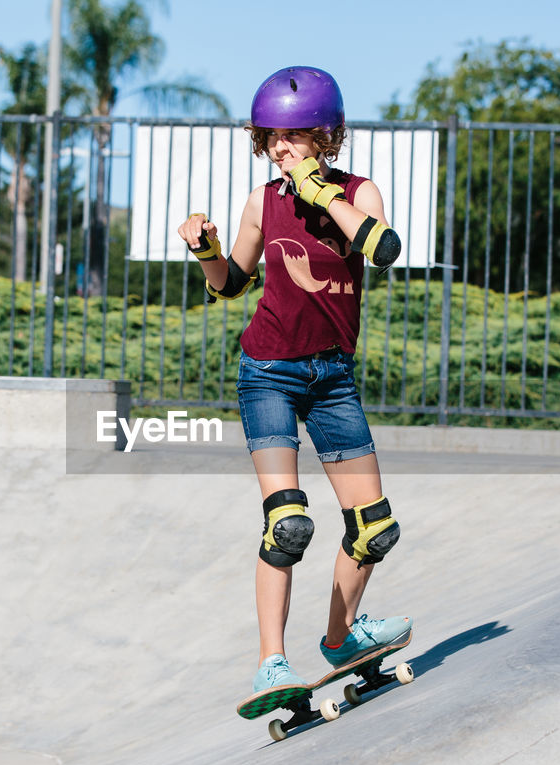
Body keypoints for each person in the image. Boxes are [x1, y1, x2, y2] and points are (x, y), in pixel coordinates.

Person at [176, 66, 411, 697]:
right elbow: (231, 285)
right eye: (272, 136)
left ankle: (341, 637)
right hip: (269, 374)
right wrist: (206, 250)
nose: (282, 147)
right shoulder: (262, 201)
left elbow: (381, 247)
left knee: (374, 527)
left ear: (327, 136)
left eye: (297, 135)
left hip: (332, 375)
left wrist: (320, 192)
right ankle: (272, 662)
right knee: (289, 524)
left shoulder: (361, 192)